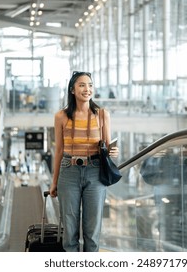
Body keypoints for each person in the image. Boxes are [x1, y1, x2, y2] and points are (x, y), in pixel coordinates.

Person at [50, 71, 119, 252]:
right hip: (68, 170)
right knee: (70, 229)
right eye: (82, 85)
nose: (87, 89)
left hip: (95, 171)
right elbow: (58, 151)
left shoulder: (103, 115)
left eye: (90, 85)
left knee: (92, 229)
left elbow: (107, 145)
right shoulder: (61, 117)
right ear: (72, 90)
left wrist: (113, 151)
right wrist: (54, 181)